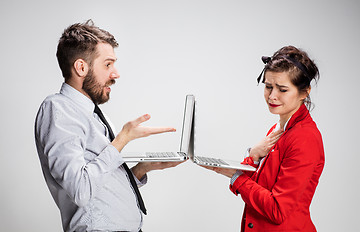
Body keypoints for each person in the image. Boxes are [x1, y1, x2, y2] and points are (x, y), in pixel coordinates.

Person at [34, 20, 183, 232]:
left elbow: (100, 186)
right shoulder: (58, 110)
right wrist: (122, 139)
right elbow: (81, 190)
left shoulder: (90, 114)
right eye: (107, 64)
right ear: (81, 67)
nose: (116, 73)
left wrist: (142, 169)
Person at [202, 45, 324, 231]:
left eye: (282, 90)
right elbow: (260, 187)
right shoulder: (278, 129)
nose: (272, 96)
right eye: (268, 87)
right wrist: (253, 156)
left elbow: (277, 209)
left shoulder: (304, 138)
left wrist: (235, 176)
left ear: (304, 92)